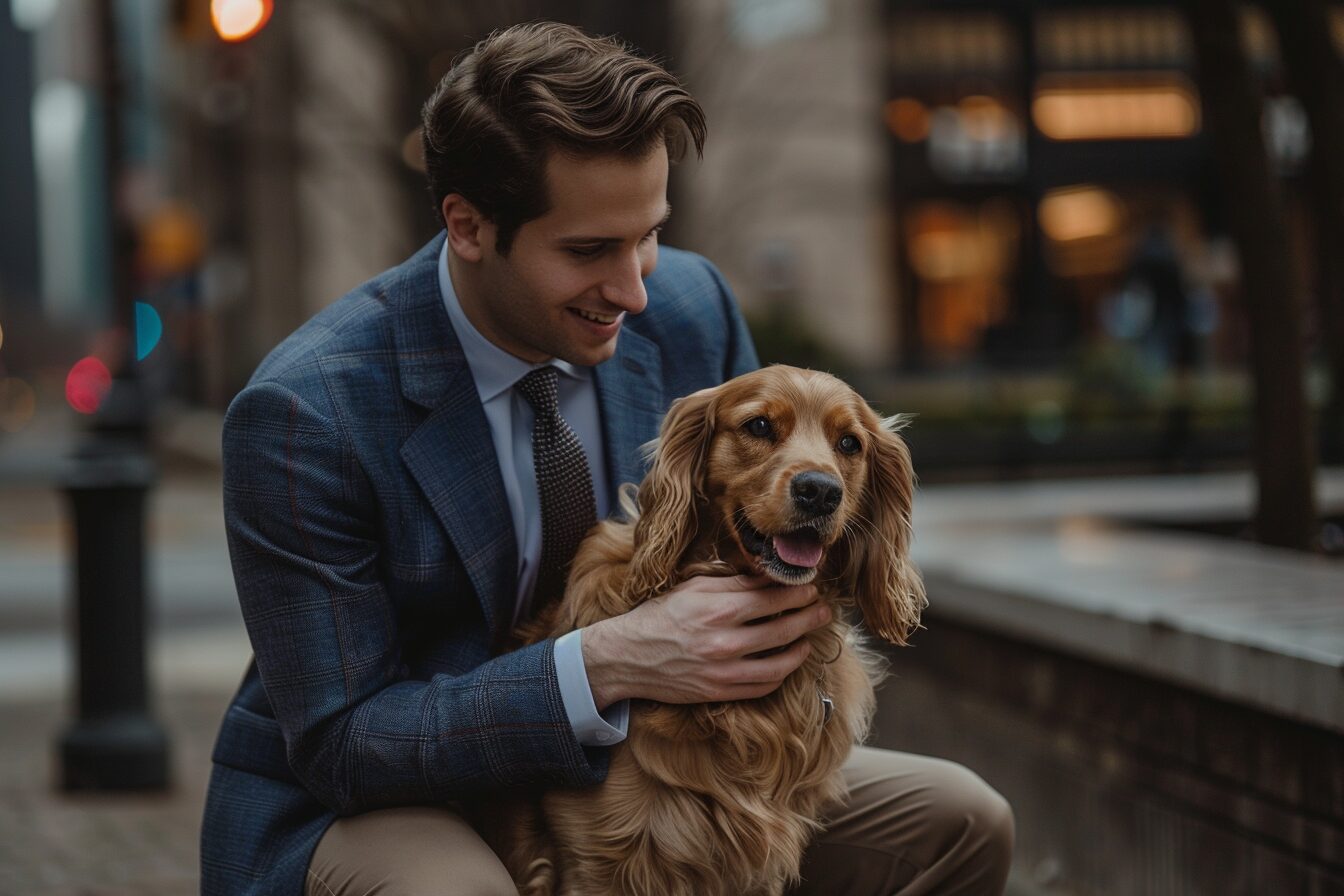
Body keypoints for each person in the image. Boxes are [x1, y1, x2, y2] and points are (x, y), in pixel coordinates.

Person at [200, 21, 1014, 896]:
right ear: (468, 226)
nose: (634, 290)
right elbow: (343, 743)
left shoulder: (689, 305)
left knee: (961, 820)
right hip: (397, 797)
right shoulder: (308, 412)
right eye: (589, 250)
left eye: (648, 235)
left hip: (662, 757)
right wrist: (605, 663)